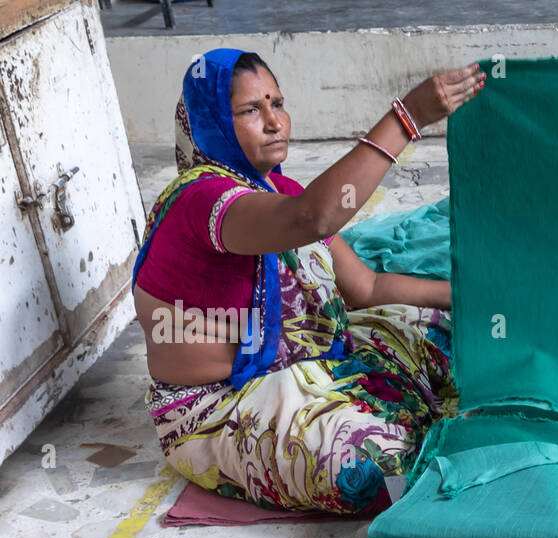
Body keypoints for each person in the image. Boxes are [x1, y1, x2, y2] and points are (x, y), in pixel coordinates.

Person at [133, 48, 484, 513]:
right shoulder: (200, 200)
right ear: (211, 121)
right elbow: (313, 217)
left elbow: (368, 289)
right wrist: (408, 118)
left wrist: (475, 296)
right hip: (225, 403)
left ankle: (392, 410)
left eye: (277, 104)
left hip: (311, 366)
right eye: (250, 110)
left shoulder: (280, 192)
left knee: (450, 335)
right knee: (370, 466)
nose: (274, 121)